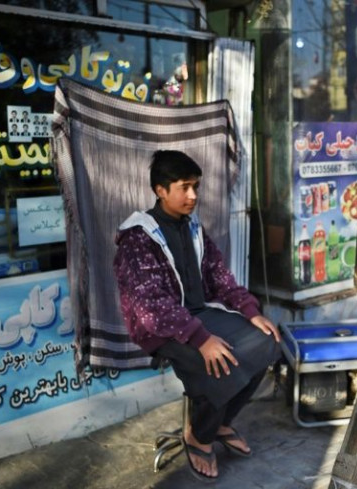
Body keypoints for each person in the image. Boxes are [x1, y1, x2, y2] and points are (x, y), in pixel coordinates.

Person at [113, 150, 282, 483]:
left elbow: (219, 276)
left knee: (268, 343)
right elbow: (151, 306)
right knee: (223, 363)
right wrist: (201, 339)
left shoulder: (192, 228)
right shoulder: (137, 236)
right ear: (160, 190)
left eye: (196, 187)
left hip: (198, 315)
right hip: (161, 329)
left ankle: (217, 422)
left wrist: (250, 311)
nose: (193, 196)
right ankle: (199, 437)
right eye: (184, 187)